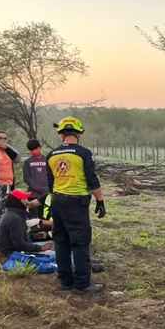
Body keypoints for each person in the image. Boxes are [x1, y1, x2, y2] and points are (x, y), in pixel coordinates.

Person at [47, 116, 106, 294]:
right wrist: (100, 201)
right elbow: (91, 180)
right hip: (76, 202)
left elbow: (50, 184)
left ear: (61, 134)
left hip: (57, 200)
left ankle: (65, 282)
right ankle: (82, 284)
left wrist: (52, 204)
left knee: (61, 242)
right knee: (80, 243)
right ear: (78, 133)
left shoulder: (51, 155)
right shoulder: (83, 153)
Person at [0, 189, 53, 257]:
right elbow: (19, 245)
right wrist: (41, 248)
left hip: (12, 251)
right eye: (25, 198)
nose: (28, 201)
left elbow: (18, 238)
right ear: (20, 201)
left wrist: (34, 236)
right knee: (54, 255)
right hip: (12, 255)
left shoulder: (13, 213)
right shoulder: (15, 218)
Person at [23, 139, 50, 219]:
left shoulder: (47, 160)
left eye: (34, 149)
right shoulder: (27, 162)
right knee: (33, 218)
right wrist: (39, 188)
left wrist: (47, 189)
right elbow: (27, 178)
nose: (33, 152)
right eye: (31, 150)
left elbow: (52, 176)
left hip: (46, 195)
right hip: (33, 195)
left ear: (39, 148)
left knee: (45, 217)